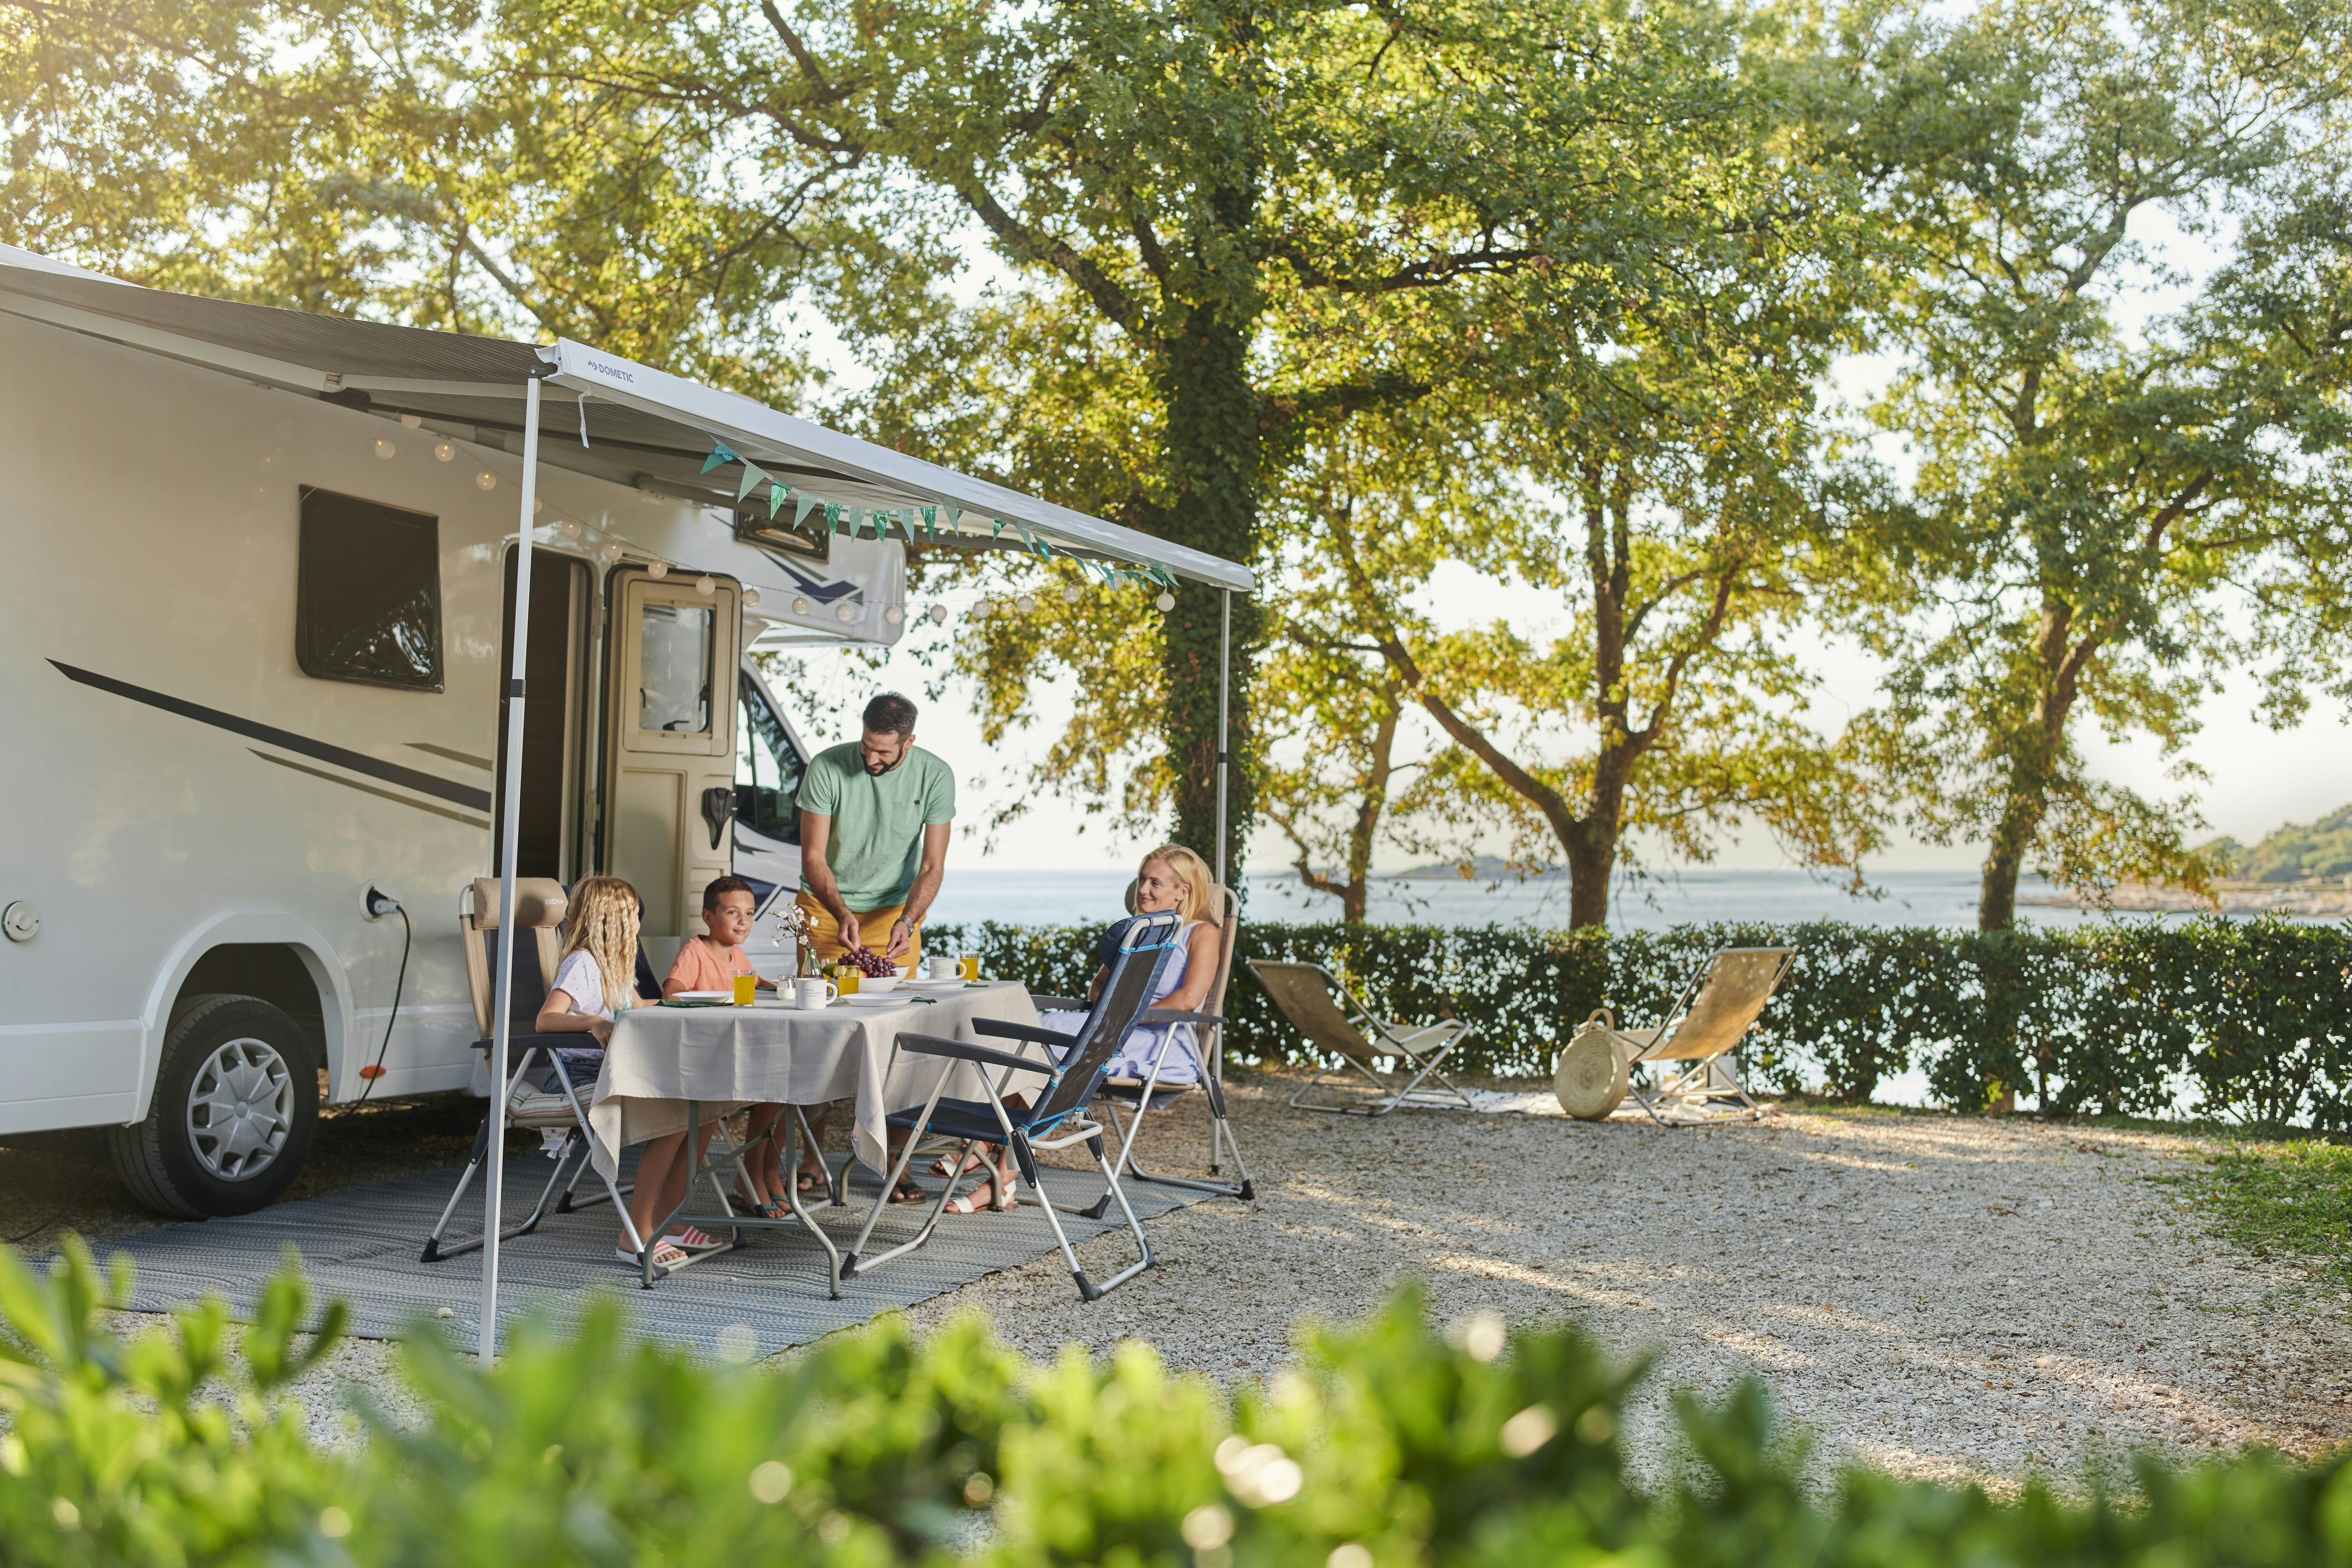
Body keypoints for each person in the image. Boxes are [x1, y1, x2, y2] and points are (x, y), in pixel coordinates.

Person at [942, 844, 1220, 1215]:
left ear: (1182, 891)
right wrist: (1115, 1009)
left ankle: (987, 1155)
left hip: (1163, 1042)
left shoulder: (1201, 933)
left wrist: (1127, 1015)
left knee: (1048, 1046)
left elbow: (1187, 1001)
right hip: (1116, 1031)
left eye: (1156, 882)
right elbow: (1096, 988)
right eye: (1142, 880)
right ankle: (1000, 1173)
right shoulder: (1138, 931)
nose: (1144, 890)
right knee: (1036, 1034)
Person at [793, 691, 955, 1201]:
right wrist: (841, 912)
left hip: (894, 914)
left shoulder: (935, 775)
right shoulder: (827, 768)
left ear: (909, 741)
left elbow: (932, 866)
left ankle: (895, 1163)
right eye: (867, 747)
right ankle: (812, 1157)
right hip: (825, 906)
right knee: (816, 1032)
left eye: (884, 752)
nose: (871, 759)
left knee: (901, 1036)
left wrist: (909, 919)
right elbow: (813, 855)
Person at [533, 875, 721, 1273]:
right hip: (578, 1073)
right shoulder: (582, 963)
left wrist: (694, 1001)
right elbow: (546, 1019)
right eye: (635, 914)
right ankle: (634, 1230)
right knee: (676, 1108)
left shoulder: (616, 965)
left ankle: (669, 1218)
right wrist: (591, 1024)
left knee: (705, 1107)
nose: (639, 921)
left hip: (615, 1067)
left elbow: (637, 1007)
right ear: (612, 920)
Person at [664, 875, 790, 1218]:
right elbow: (671, 993)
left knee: (783, 1088)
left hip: (735, 1053)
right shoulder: (696, 953)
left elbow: (756, 983)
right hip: (706, 1060)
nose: (743, 921)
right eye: (733, 912)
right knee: (775, 1084)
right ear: (709, 917)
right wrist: (715, 1002)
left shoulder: (737, 955)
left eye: (749, 913)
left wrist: (780, 985)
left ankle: (759, 1175)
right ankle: (752, 1181)